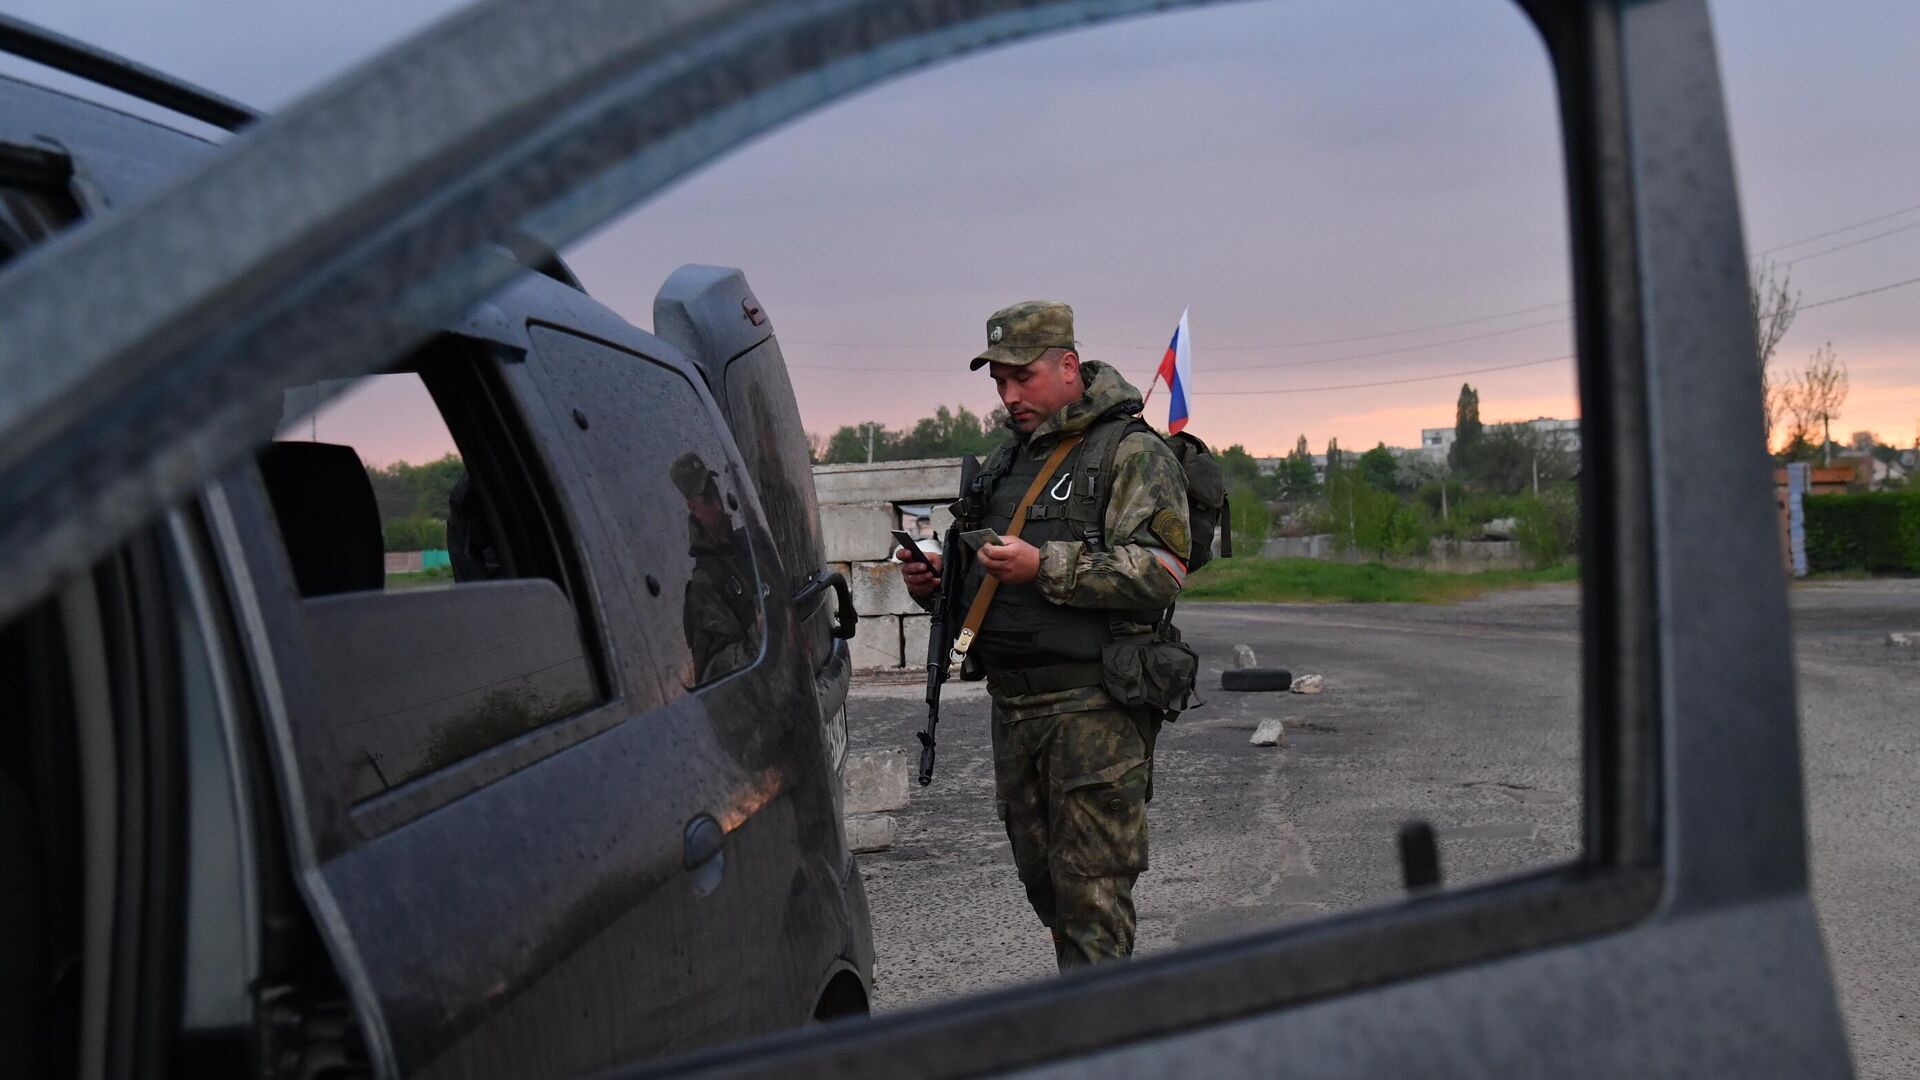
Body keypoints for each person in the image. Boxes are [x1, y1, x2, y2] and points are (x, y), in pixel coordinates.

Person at [898, 299, 1191, 969]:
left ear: (1067, 366)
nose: (1010, 395)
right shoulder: (1007, 464)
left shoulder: (1131, 453)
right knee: (1050, 894)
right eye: (999, 381)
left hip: (1094, 711)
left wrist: (1043, 565)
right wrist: (939, 586)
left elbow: (1164, 570)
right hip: (1017, 710)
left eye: (1022, 377)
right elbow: (988, 582)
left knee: (1092, 902)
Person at [670, 451, 762, 686]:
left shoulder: (745, 544)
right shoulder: (705, 583)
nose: (719, 505)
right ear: (693, 508)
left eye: (716, 493)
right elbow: (717, 672)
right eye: (708, 499)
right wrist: (762, 630)